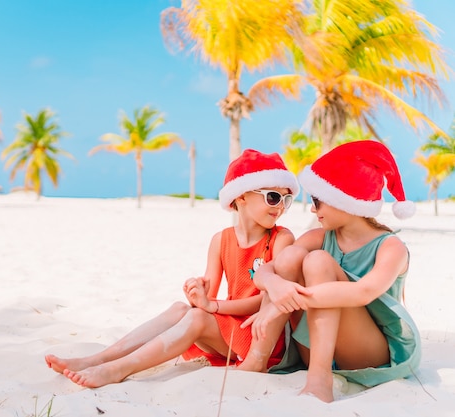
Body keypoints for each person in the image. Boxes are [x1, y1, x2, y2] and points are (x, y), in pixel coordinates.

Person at [45, 149, 299, 388]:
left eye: (286, 200)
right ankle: (98, 359)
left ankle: (119, 369)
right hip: (229, 327)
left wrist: (212, 307)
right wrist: (199, 293)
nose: (280, 206)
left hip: (260, 336)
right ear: (241, 196)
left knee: (199, 316)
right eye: (273, 197)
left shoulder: (281, 239)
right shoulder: (221, 240)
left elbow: (267, 301)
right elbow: (206, 302)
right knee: (181, 308)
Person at [243, 140, 420, 402]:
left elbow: (363, 293)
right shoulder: (321, 236)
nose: (313, 209)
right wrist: (276, 287)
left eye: (318, 201)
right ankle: (257, 357)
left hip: (368, 353)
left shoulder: (390, 247)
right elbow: (265, 272)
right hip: (313, 346)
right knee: (293, 254)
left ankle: (319, 378)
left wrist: (282, 303)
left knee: (318, 262)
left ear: (346, 200)